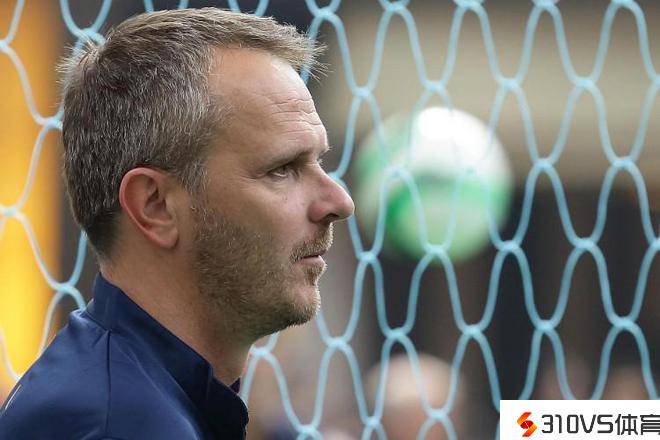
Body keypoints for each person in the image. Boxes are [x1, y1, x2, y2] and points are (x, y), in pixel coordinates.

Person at [0, 7, 354, 439]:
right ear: (155, 206)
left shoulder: (143, 398)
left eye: (318, 161)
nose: (339, 201)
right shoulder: (117, 424)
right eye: (282, 169)